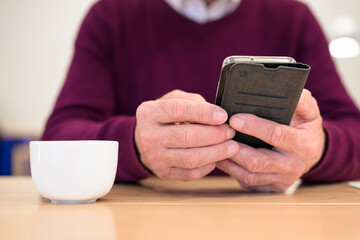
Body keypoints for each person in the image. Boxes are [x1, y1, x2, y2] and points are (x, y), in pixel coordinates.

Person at [42, 0, 360, 192]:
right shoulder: (111, 16)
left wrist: (318, 149)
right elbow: (59, 139)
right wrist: (136, 144)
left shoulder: (294, 18)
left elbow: (354, 133)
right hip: (141, 222)